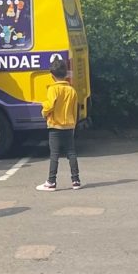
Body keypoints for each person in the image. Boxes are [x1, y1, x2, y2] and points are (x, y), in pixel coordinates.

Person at [36, 59, 81, 191]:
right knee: (71, 153)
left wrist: (44, 111)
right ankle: (76, 180)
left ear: (52, 75)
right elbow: (74, 109)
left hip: (55, 126)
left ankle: (51, 181)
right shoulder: (71, 90)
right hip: (69, 125)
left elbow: (49, 105)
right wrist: (74, 123)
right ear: (66, 73)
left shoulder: (53, 89)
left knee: (54, 154)